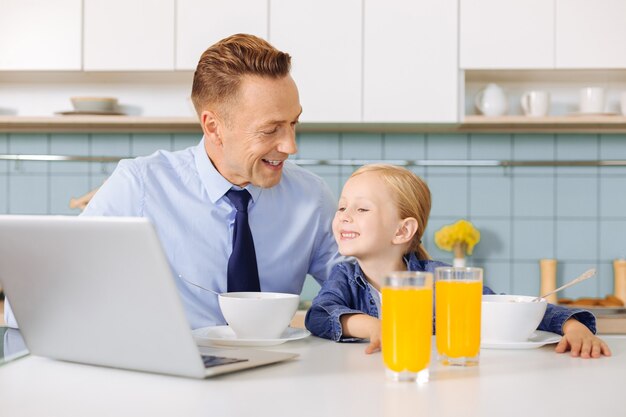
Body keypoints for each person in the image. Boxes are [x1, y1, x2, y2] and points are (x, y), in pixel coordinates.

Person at [4, 34, 340, 330]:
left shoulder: (311, 199)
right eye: (270, 130)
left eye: (294, 123)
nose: (290, 146)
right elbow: (50, 296)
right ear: (212, 127)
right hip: (171, 385)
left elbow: (358, 287)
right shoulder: (139, 187)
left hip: (277, 383)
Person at [305, 164, 611, 359]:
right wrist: (374, 327)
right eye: (343, 206)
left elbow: (504, 307)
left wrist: (571, 325)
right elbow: (319, 315)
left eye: (362, 210)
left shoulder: (440, 278)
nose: (344, 215)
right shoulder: (344, 277)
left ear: (402, 230)